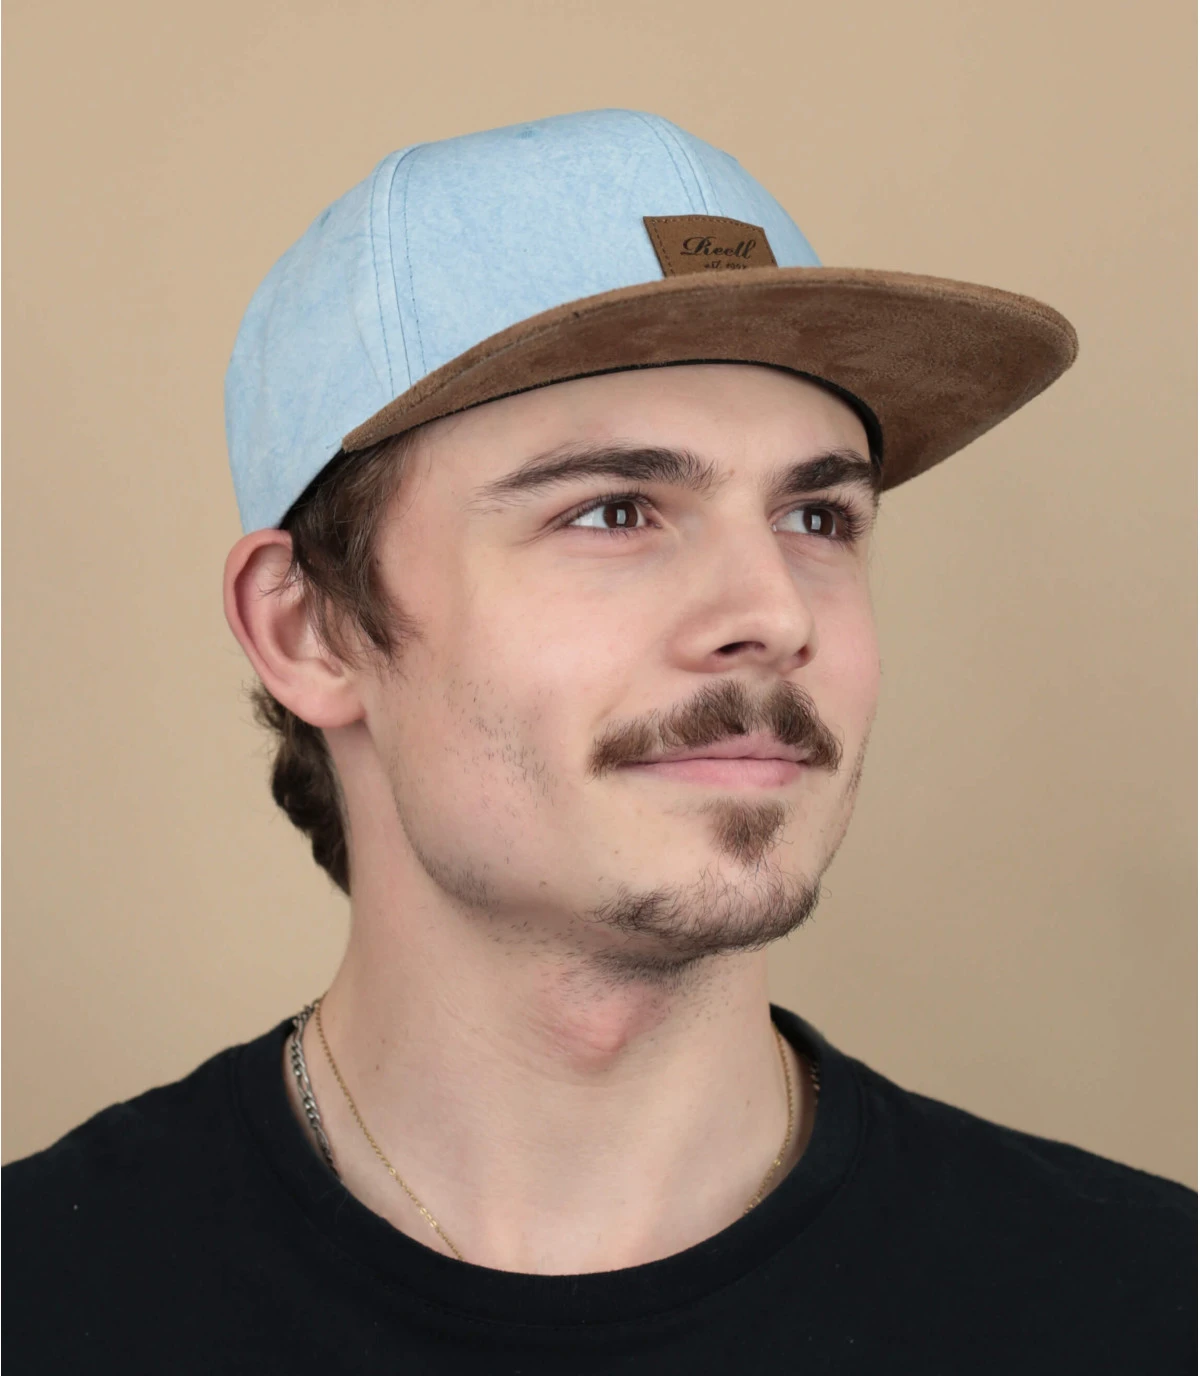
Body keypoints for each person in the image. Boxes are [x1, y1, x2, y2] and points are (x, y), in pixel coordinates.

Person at [4, 109, 1194, 1373]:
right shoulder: (44, 1303)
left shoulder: (1144, 1306)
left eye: (818, 517)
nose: (773, 612)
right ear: (308, 629)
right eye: (616, 510)